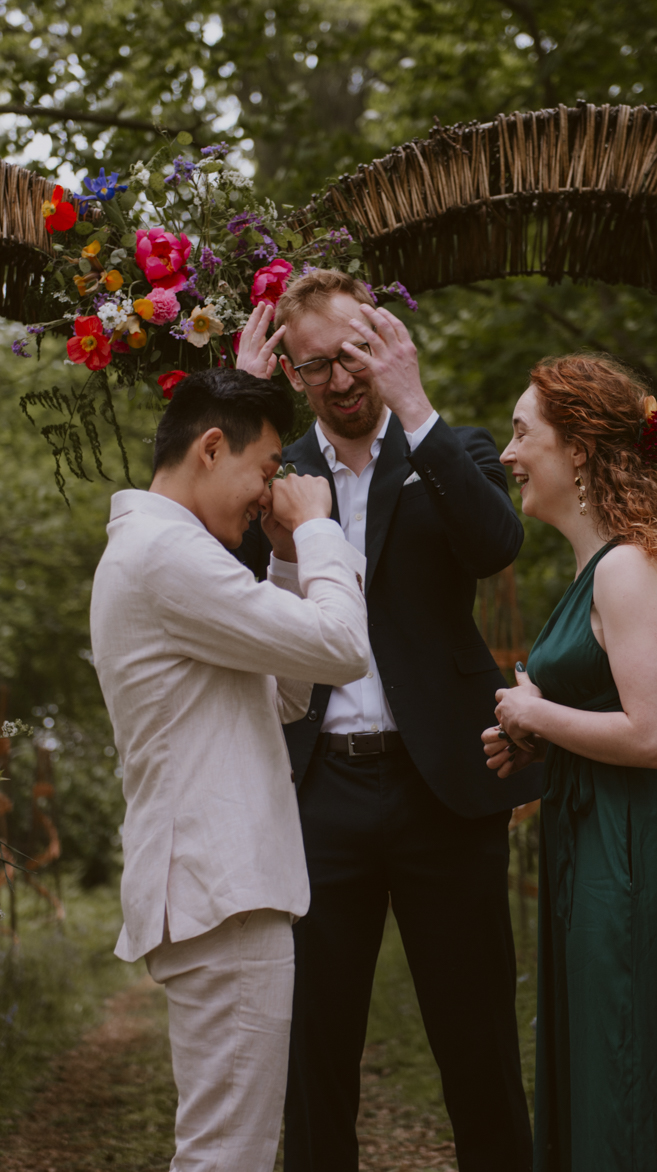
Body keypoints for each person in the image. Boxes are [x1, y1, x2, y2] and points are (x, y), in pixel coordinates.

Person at [236, 272, 543, 1172]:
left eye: (356, 355)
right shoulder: (271, 471)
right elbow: (203, 557)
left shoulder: (453, 451)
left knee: (478, 1042)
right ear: (293, 375)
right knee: (314, 1052)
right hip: (317, 791)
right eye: (318, 365)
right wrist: (243, 406)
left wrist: (416, 403)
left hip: (445, 785)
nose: (342, 379)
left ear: (386, 348)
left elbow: (497, 546)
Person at [89, 368, 370, 1172]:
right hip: (224, 886)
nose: (271, 491)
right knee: (226, 1156)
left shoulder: (163, 554)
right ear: (213, 447)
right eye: (268, 468)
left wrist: (283, 561)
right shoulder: (165, 552)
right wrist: (320, 530)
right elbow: (343, 650)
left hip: (220, 887)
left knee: (227, 1149)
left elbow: (283, 697)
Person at [484, 353, 657, 1172]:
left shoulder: (624, 567)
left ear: (578, 448)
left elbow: (655, 737)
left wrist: (534, 710)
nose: (508, 453)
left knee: (627, 1065)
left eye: (523, 432)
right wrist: (533, 734)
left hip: (633, 852)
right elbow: (608, 715)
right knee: (604, 1058)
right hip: (595, 838)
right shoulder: (594, 569)